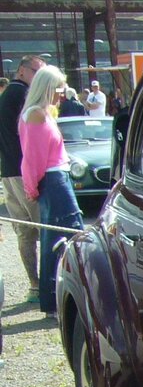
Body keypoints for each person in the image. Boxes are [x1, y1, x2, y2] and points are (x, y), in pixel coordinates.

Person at [19, 65, 83, 316]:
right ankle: (56, 301)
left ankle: (59, 299)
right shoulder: (35, 115)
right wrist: (31, 187)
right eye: (58, 89)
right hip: (54, 181)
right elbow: (32, 158)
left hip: (58, 178)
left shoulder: (41, 113)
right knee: (65, 235)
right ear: (47, 88)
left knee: (61, 237)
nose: (61, 94)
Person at [0, 54, 45, 298]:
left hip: (8, 171)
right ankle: (46, 285)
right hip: (23, 172)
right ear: (22, 71)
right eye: (35, 71)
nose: (38, 76)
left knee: (24, 232)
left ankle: (34, 283)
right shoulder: (21, 95)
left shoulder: (7, 94)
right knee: (44, 227)